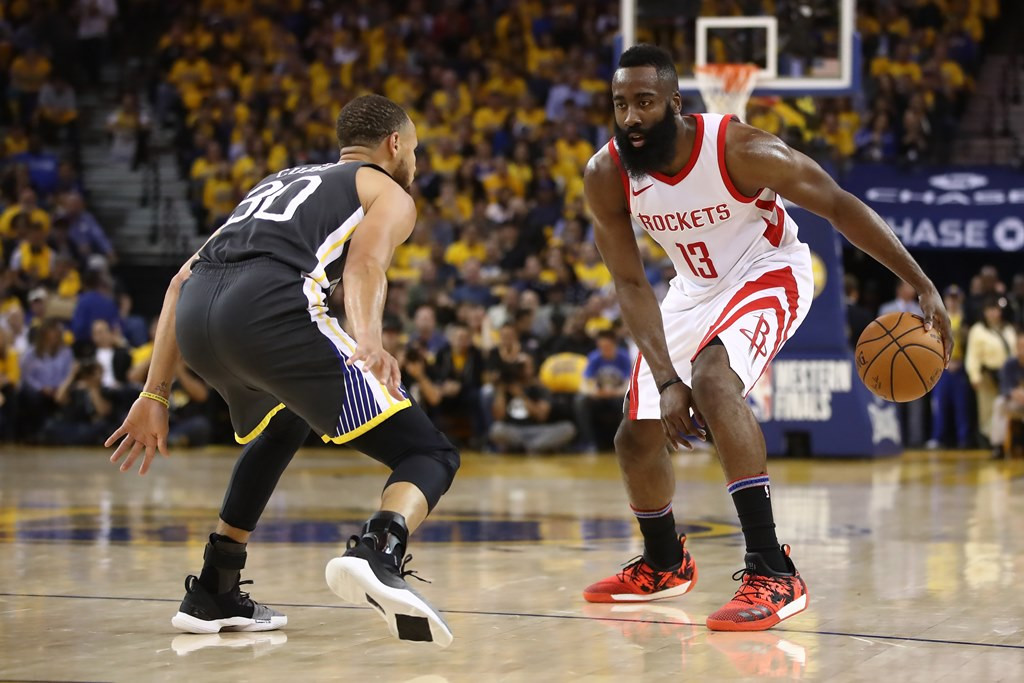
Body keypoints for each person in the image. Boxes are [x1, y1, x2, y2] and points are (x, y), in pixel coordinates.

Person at [581, 45, 951, 631]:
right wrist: (664, 380)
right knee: (635, 437)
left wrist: (920, 282)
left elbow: (838, 205)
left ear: (675, 104)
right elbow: (628, 281)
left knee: (714, 381)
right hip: (692, 287)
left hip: (768, 267)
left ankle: (773, 570)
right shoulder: (606, 173)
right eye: (620, 103)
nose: (630, 117)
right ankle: (663, 561)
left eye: (644, 102)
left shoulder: (740, 150)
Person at [103, 95, 459, 647]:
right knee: (430, 453)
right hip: (268, 308)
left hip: (198, 316)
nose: (415, 161)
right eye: (414, 149)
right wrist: (370, 341)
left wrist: (155, 393)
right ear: (395, 145)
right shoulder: (386, 190)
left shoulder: (278, 182)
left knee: (285, 421)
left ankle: (216, 585)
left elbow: (178, 282)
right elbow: (365, 264)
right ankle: (380, 547)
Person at [965, 298, 1016, 451]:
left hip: (1007, 377)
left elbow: (1014, 352)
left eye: (996, 309)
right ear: (985, 312)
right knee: (988, 411)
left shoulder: (1007, 328)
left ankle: (1004, 441)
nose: (994, 313)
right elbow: (972, 356)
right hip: (987, 376)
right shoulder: (978, 330)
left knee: (1004, 409)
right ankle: (990, 442)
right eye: (990, 310)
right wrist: (974, 376)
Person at [927, 285, 971, 449]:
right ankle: (938, 437)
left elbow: (970, 346)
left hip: (959, 367)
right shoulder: (937, 318)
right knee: (939, 404)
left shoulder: (966, 319)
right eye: (950, 298)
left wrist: (960, 362)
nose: (952, 301)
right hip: (942, 367)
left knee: (961, 406)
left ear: (960, 299)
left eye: (955, 298)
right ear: (945, 300)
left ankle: (963, 438)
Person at [575, 329, 632, 452]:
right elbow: (585, 383)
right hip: (600, 397)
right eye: (601, 347)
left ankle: (626, 442)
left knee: (626, 402)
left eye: (607, 346)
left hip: (618, 395)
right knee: (581, 401)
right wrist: (594, 392)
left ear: (614, 344)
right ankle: (589, 442)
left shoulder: (624, 357)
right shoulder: (594, 357)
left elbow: (629, 383)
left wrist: (615, 392)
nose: (604, 349)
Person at [991, 336, 1024, 457]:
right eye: (1021, 346)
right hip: (1014, 402)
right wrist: (1014, 393)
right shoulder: (1010, 364)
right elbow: (1003, 386)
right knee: (999, 403)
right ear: (1017, 348)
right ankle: (998, 446)